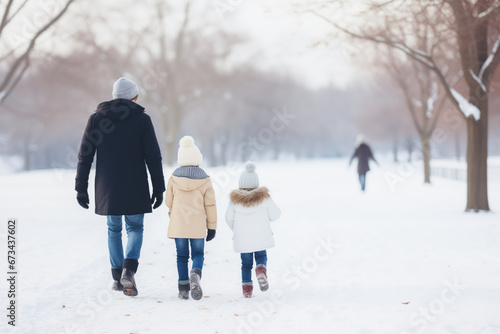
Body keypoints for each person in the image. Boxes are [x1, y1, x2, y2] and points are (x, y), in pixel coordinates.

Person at [75, 77, 165, 297]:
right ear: (134, 96)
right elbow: (153, 157)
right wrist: (159, 187)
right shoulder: (142, 120)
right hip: (135, 184)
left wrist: (81, 187)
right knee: (135, 228)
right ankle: (129, 270)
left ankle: (117, 278)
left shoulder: (97, 119)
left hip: (108, 186)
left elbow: (85, 155)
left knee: (113, 229)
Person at [165, 136, 217, 300]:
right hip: (198, 225)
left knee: (181, 256)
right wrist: (212, 227)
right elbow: (210, 205)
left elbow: (168, 202)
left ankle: (183, 288)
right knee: (198, 254)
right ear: (197, 160)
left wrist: (173, 217)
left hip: (179, 224)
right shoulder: (205, 179)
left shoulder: (173, 178)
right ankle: (195, 273)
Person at [225, 161, 281, 298]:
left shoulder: (234, 201)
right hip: (261, 237)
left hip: (243, 239)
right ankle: (261, 269)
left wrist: (237, 230)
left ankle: (247, 291)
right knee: (261, 256)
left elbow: (228, 218)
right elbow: (276, 214)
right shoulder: (264, 198)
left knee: (246, 264)